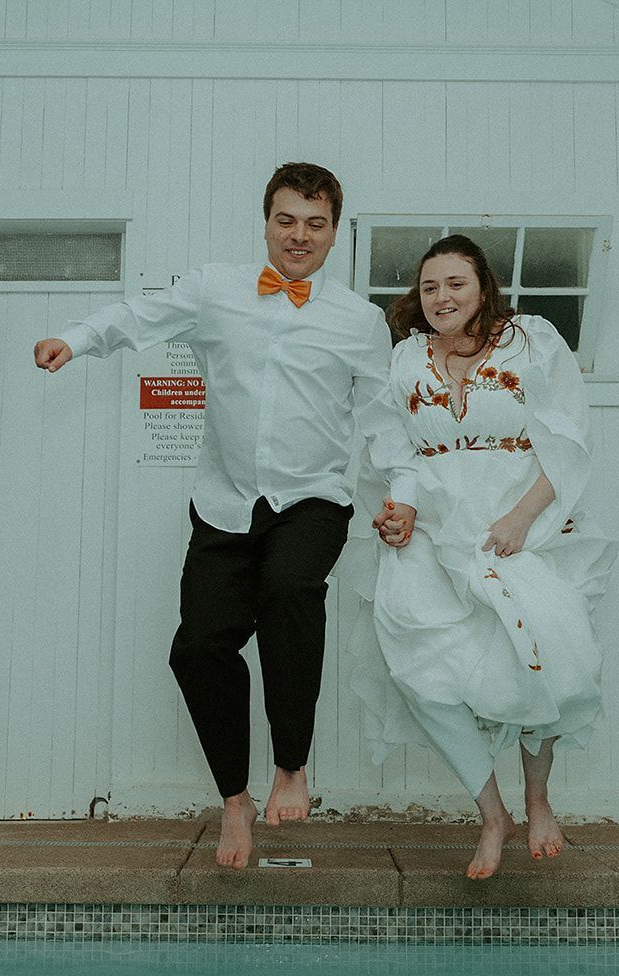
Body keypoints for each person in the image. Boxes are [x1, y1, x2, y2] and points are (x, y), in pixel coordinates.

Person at [34, 163, 417, 868]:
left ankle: (292, 765)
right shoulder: (215, 290)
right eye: (286, 220)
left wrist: (405, 494)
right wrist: (79, 338)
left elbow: (382, 421)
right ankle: (234, 802)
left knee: (288, 593)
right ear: (266, 221)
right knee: (197, 647)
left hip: (312, 499)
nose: (299, 236)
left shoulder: (360, 323)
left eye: (315, 223)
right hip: (225, 501)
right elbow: (137, 317)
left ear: (335, 233)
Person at [363, 234, 616, 879]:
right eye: (429, 287)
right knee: (423, 674)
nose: (442, 297)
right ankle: (492, 814)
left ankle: (538, 800)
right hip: (439, 532)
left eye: (455, 284)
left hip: (522, 521)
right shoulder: (404, 360)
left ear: (482, 287)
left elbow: (567, 439)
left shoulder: (532, 339)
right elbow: (400, 455)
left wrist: (520, 519)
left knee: (543, 658)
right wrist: (401, 509)